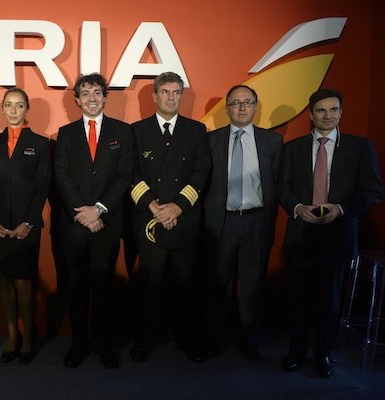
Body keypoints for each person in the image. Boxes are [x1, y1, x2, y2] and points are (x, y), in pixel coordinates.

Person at [279, 88, 383, 378]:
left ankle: (323, 353)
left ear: (341, 112)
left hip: (338, 235)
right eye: (321, 110)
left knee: (330, 301)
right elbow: (282, 187)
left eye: (333, 109)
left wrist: (342, 209)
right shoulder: (293, 148)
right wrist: (297, 207)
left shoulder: (360, 147)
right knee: (299, 299)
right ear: (311, 115)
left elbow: (373, 191)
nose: (328, 115)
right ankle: (296, 351)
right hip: (301, 233)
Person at [130, 72, 211, 363]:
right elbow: (131, 173)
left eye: (176, 92)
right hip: (150, 220)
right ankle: (145, 338)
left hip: (183, 218)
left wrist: (177, 207)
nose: (171, 97)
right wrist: (154, 207)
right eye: (165, 92)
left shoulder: (196, 130)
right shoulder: (137, 131)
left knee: (184, 284)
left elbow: (201, 173)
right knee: (149, 286)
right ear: (155, 96)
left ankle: (186, 337)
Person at [54, 73, 133, 369]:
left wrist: (98, 209)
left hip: (106, 223)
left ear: (105, 97)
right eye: (85, 94)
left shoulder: (122, 131)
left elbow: (124, 175)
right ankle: (78, 343)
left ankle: (103, 344)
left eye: (97, 93)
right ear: (77, 100)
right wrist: (83, 212)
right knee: (75, 286)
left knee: (103, 286)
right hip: (75, 223)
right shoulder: (65, 134)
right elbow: (61, 175)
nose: (91, 98)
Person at [203, 85, 282, 360]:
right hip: (221, 222)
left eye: (247, 102)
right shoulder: (211, 141)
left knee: (252, 285)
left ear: (255, 107)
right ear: (227, 109)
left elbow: (278, 183)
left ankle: (250, 339)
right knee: (218, 284)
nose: (242, 107)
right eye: (236, 103)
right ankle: (214, 338)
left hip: (256, 221)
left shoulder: (272, 142)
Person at [0, 88, 50, 365]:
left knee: (23, 283)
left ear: (26, 109)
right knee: (5, 282)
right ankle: (12, 336)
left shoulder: (40, 144)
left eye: (19, 105)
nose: (13, 110)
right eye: (8, 105)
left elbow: (43, 185)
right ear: (2, 108)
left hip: (26, 227)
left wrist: (28, 222)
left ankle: (28, 337)